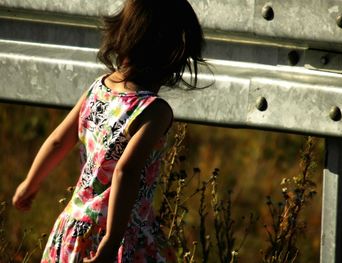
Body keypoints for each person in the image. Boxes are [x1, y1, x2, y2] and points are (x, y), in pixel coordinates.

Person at [12, 0, 206, 262]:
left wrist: (30, 183)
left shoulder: (97, 89)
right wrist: (112, 240)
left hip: (73, 228)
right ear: (172, 56)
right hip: (123, 236)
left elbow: (58, 141)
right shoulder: (154, 110)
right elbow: (125, 171)